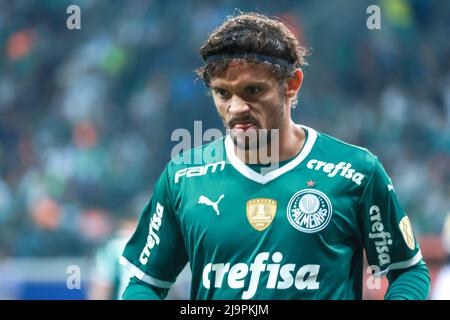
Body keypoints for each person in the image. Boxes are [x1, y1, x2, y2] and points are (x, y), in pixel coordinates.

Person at [119, 12, 430, 300]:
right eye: (223, 93)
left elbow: (408, 271)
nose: (236, 108)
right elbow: (145, 283)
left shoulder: (355, 172)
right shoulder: (183, 178)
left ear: (291, 85)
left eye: (253, 91)